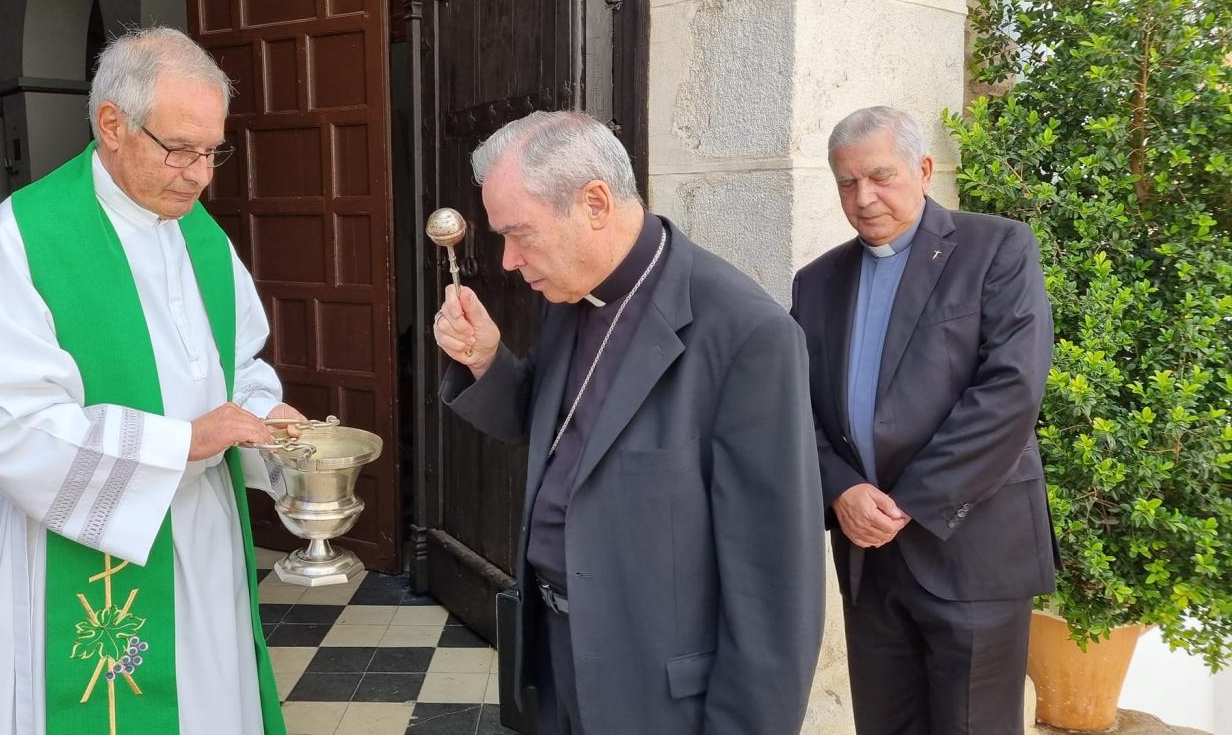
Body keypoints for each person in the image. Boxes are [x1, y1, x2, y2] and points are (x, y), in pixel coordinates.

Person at [0, 27, 301, 734]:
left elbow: (239, 364)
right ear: (112, 124)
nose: (200, 175)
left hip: (203, 532)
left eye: (213, 151)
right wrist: (181, 443)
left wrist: (266, 417)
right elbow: (8, 429)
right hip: (85, 535)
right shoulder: (24, 241)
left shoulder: (202, 237)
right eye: (180, 149)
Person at [432, 110, 824, 734]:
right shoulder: (573, 295)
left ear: (594, 203)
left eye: (520, 234)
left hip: (656, 691)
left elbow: (775, 586)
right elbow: (554, 430)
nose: (508, 260)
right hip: (555, 656)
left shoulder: (748, 334)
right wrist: (486, 359)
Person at [790, 106, 1057, 734]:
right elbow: (794, 405)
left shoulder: (997, 248)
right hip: (868, 554)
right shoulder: (817, 282)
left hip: (972, 548)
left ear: (925, 170)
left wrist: (908, 502)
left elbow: (1011, 391)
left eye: (880, 176)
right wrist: (841, 489)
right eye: (847, 183)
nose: (864, 198)